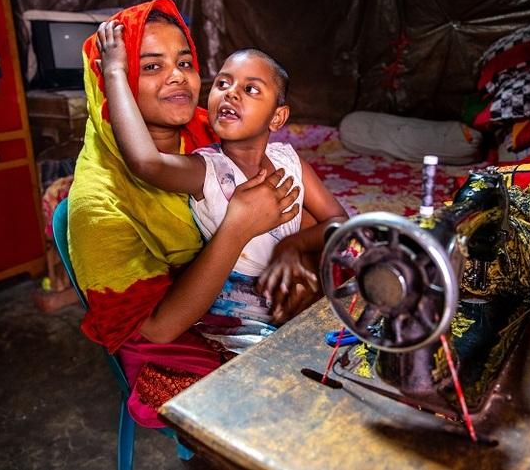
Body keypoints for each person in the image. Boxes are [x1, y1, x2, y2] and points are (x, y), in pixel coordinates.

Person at [68, 0, 302, 428]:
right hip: (170, 333)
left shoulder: (203, 127)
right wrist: (237, 228)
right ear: (111, 83)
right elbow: (158, 329)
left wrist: (293, 251)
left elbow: (287, 203)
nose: (177, 76)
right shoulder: (99, 205)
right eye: (151, 66)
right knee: (269, 406)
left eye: (184, 62)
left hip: (236, 297)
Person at [95, 18, 348, 352]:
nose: (231, 92)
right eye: (223, 83)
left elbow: (339, 221)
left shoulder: (290, 162)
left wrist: (293, 246)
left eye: (250, 89)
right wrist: (114, 73)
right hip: (239, 319)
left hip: (292, 303)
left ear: (277, 117)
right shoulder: (205, 169)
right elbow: (147, 163)